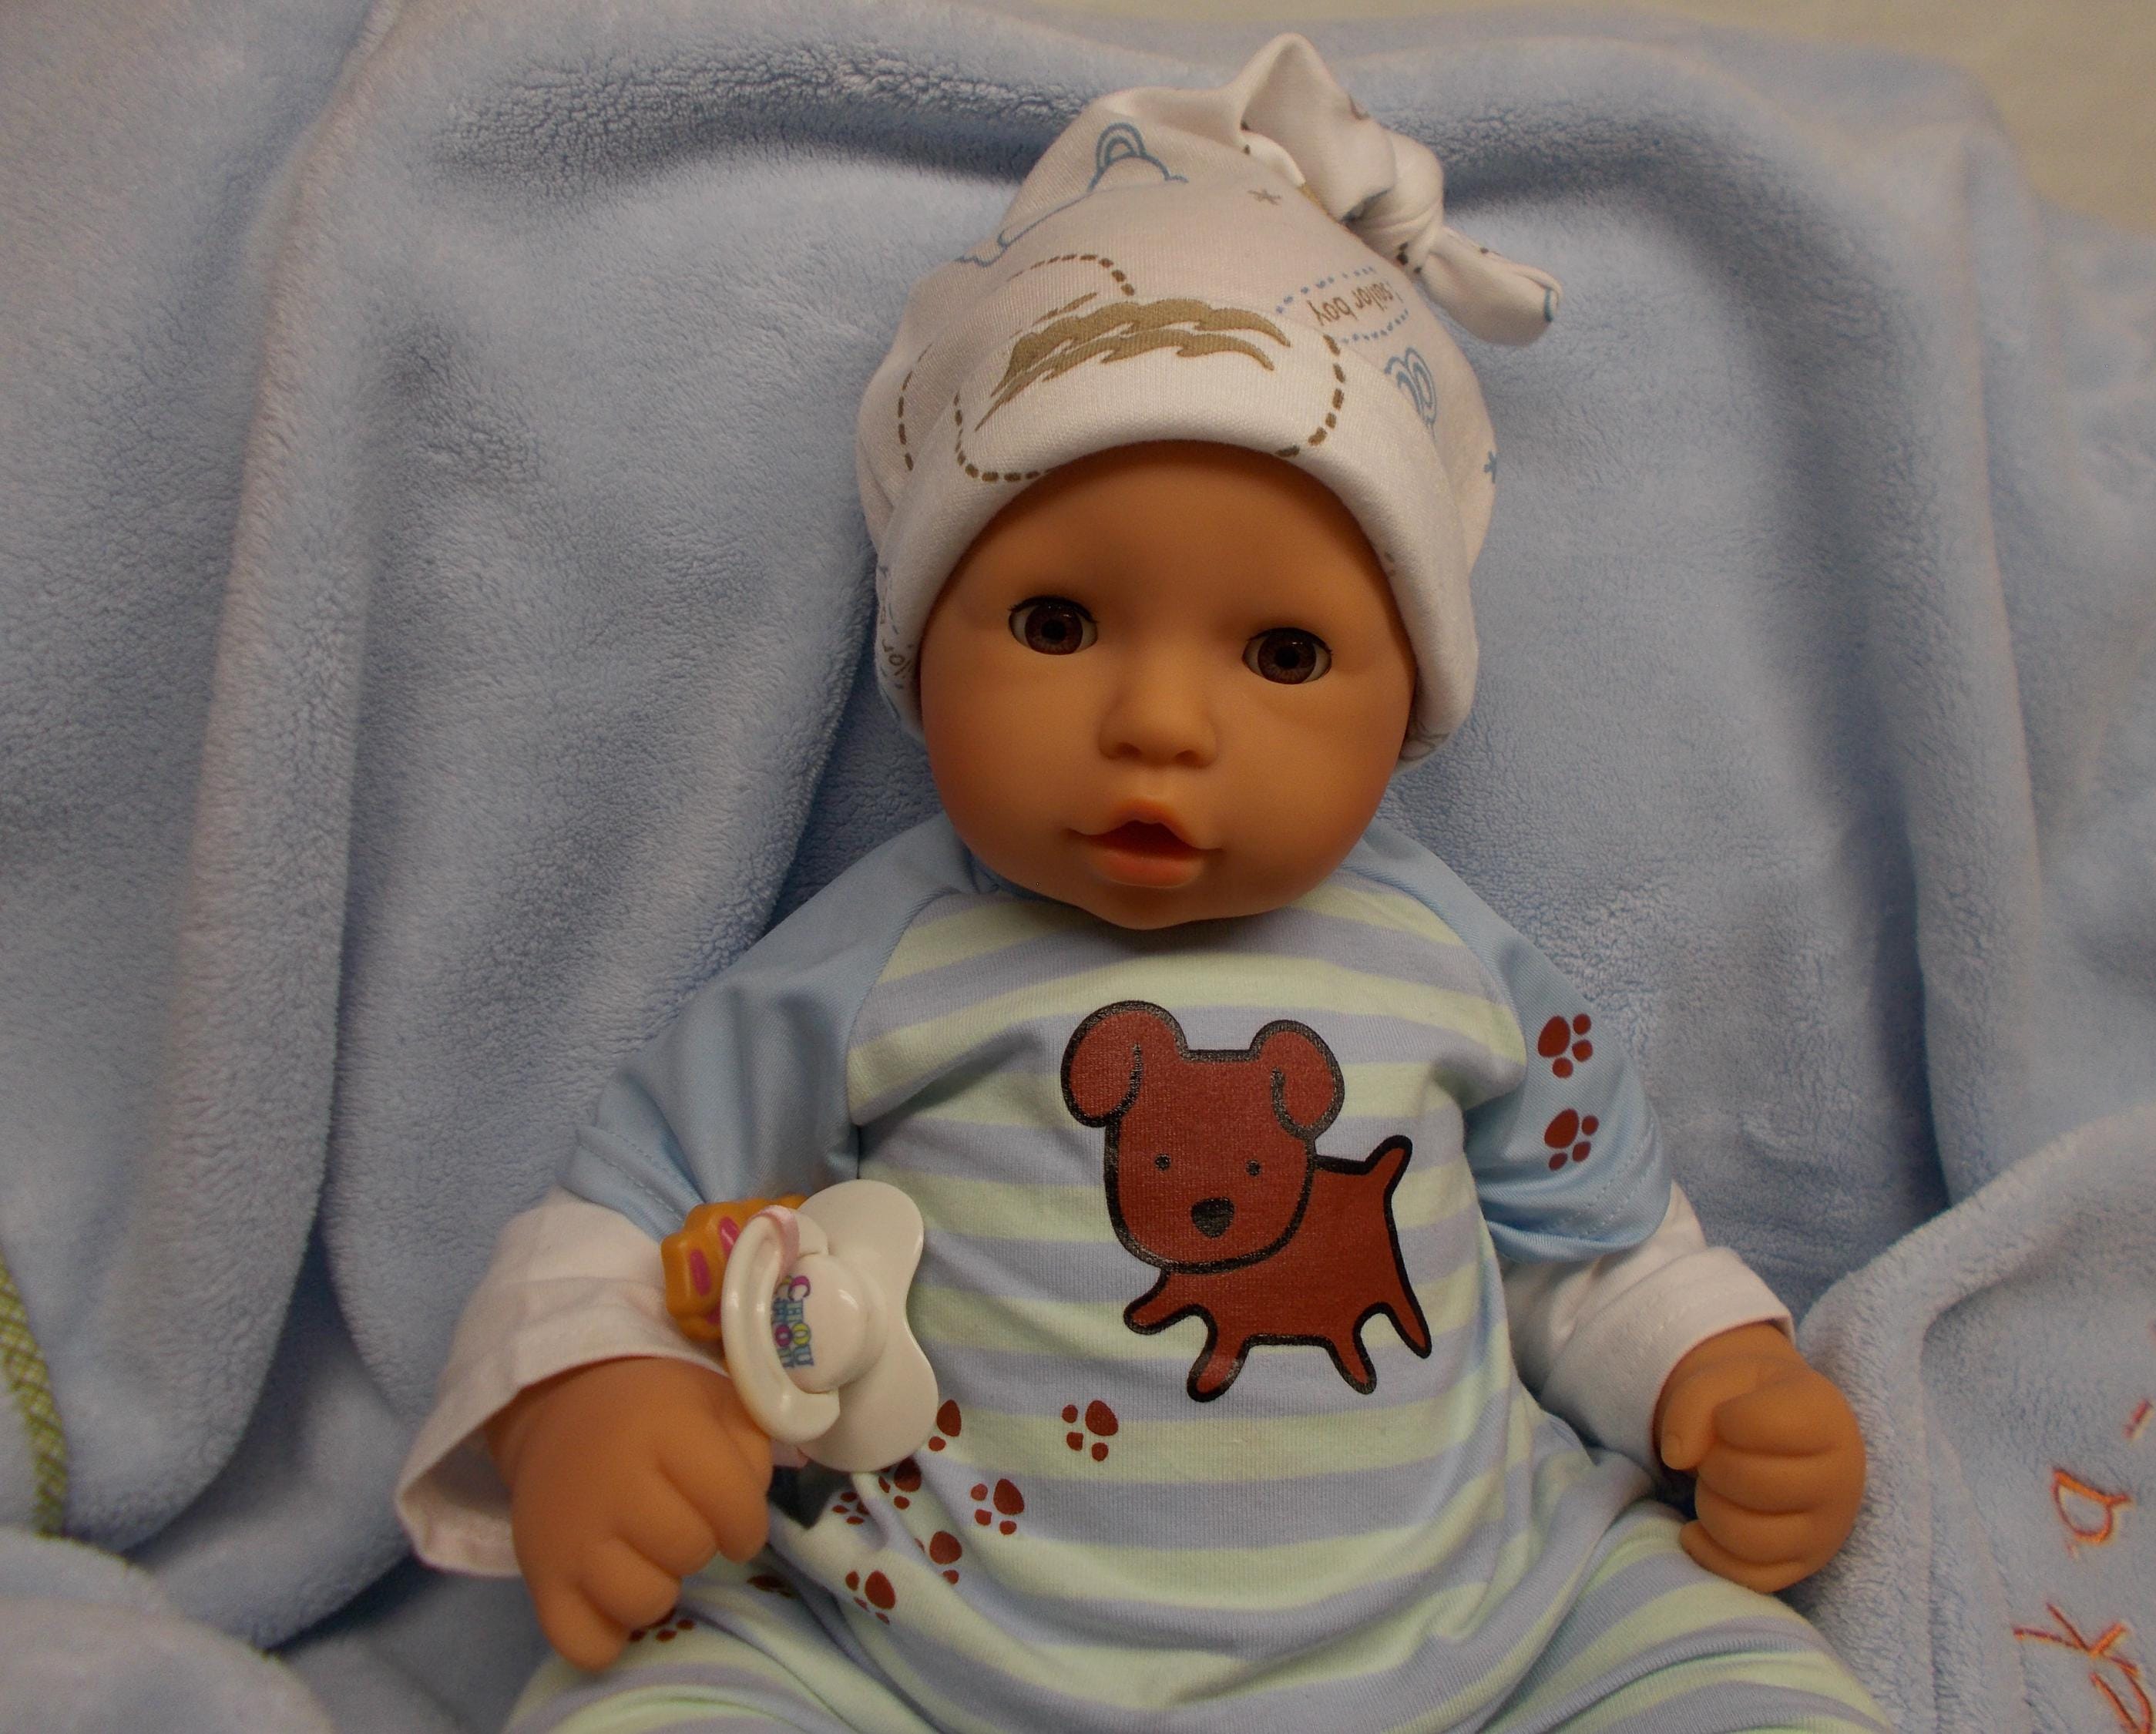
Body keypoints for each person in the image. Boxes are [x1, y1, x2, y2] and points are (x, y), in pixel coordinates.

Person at [397, 36, 1882, 1732]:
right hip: (911, 1660)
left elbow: (1587, 1244)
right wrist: (591, 1397)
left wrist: (1716, 1371)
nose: (1159, 722)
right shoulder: (879, 966)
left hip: (1483, 1633)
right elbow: (634, 1214)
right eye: (1057, 624)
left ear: (1413, 696)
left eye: (1284, 652)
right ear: (923, 647)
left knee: (1732, 1678)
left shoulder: (1457, 968)